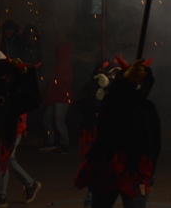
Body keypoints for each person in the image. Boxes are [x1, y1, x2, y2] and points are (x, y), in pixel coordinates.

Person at [75, 57, 161, 208]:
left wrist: (148, 173)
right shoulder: (113, 105)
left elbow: (154, 144)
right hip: (108, 169)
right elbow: (111, 105)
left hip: (135, 173)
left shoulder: (146, 109)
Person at [0, 50, 42, 207]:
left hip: (14, 127)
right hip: (5, 126)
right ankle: (31, 184)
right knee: (9, 160)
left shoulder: (14, 82)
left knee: (2, 159)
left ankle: (1, 198)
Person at [75, 62, 110, 208]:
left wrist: (106, 91)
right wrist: (95, 98)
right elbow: (80, 105)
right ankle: (91, 196)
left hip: (107, 133)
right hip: (90, 132)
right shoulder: (90, 86)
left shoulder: (114, 88)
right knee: (91, 165)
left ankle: (95, 197)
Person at [39, 42, 72, 153]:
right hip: (56, 96)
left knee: (59, 120)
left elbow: (63, 83)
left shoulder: (64, 64)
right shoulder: (60, 63)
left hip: (61, 97)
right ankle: (51, 141)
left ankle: (64, 144)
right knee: (48, 118)